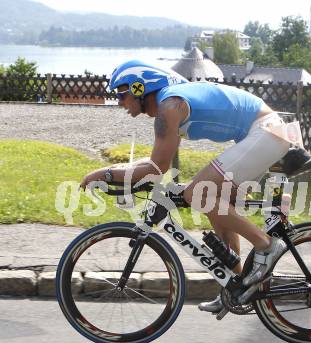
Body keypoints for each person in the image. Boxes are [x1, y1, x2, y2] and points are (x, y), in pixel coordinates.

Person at [80, 60, 297, 313]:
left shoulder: (170, 107)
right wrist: (116, 172)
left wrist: (103, 174)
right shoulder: (171, 103)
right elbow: (155, 163)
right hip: (264, 132)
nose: (119, 102)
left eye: (121, 94)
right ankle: (236, 288)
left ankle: (267, 246)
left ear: (139, 89)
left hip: (267, 132)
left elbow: (155, 169)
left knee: (198, 193)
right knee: (215, 200)